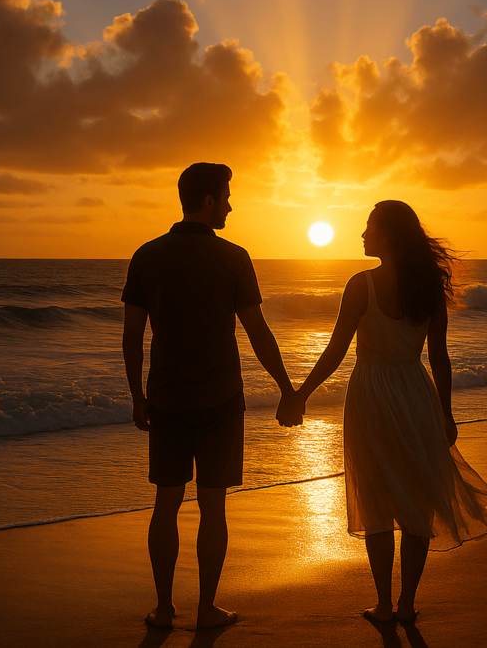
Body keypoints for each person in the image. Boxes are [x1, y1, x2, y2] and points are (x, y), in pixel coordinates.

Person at [279, 200, 487, 623]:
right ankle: (406, 604)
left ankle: (383, 603)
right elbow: (439, 357)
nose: (362, 235)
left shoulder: (361, 284)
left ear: (389, 235)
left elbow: (337, 349)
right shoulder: (428, 287)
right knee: (416, 501)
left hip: (372, 396)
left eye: (369, 227)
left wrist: (300, 393)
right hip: (417, 395)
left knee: (377, 501)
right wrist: (446, 413)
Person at [122, 162, 300, 630]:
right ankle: (205, 608)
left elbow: (131, 335)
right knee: (212, 506)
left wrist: (137, 395)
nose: (230, 205)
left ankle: (163, 608)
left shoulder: (147, 255)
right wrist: (287, 388)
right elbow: (257, 330)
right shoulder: (234, 257)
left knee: (166, 502)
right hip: (220, 398)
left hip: (164, 397)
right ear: (208, 201)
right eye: (225, 197)